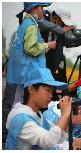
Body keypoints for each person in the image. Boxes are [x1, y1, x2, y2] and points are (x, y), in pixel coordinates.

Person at [2, 2, 56, 145]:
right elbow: (30, 48)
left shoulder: (25, 24)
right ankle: (14, 138)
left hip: (18, 72)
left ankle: (13, 136)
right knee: (20, 105)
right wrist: (46, 45)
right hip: (24, 73)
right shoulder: (31, 26)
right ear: (34, 8)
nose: (43, 11)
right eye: (42, 8)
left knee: (15, 104)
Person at [5, 68, 71, 150]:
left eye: (52, 91)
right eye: (47, 90)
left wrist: (65, 115)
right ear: (31, 89)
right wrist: (65, 114)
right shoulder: (20, 119)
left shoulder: (37, 114)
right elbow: (48, 141)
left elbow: (60, 139)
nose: (51, 95)